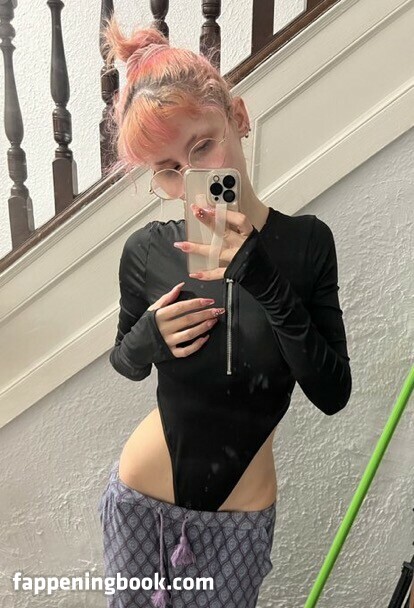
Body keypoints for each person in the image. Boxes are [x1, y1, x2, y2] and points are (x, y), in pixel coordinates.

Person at [97, 16, 352, 608]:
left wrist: (262, 275)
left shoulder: (306, 245)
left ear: (238, 116)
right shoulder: (147, 252)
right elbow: (125, 362)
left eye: (202, 145)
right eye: (168, 170)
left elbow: (332, 392)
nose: (195, 177)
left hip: (240, 522)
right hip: (140, 502)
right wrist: (149, 337)